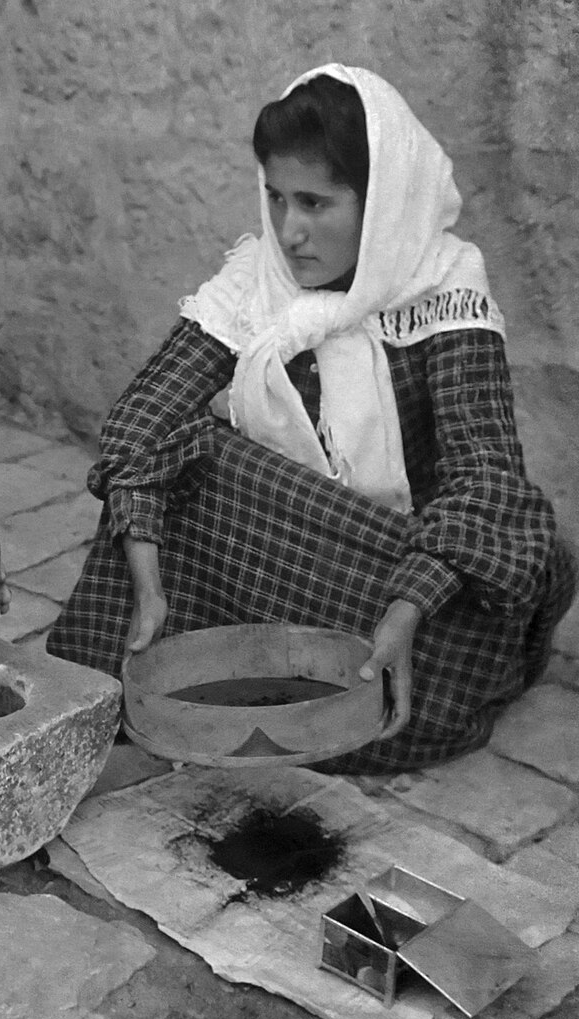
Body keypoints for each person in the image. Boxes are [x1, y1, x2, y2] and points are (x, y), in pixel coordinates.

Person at [47, 64, 575, 775]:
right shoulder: (256, 282)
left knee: (494, 576)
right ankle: (232, 664)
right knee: (183, 462)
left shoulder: (442, 288)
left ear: (381, 202)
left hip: (391, 573)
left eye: (316, 204)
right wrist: (146, 567)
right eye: (275, 198)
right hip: (267, 559)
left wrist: (408, 607)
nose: (290, 231)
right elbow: (141, 422)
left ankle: (294, 680)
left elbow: (485, 482)